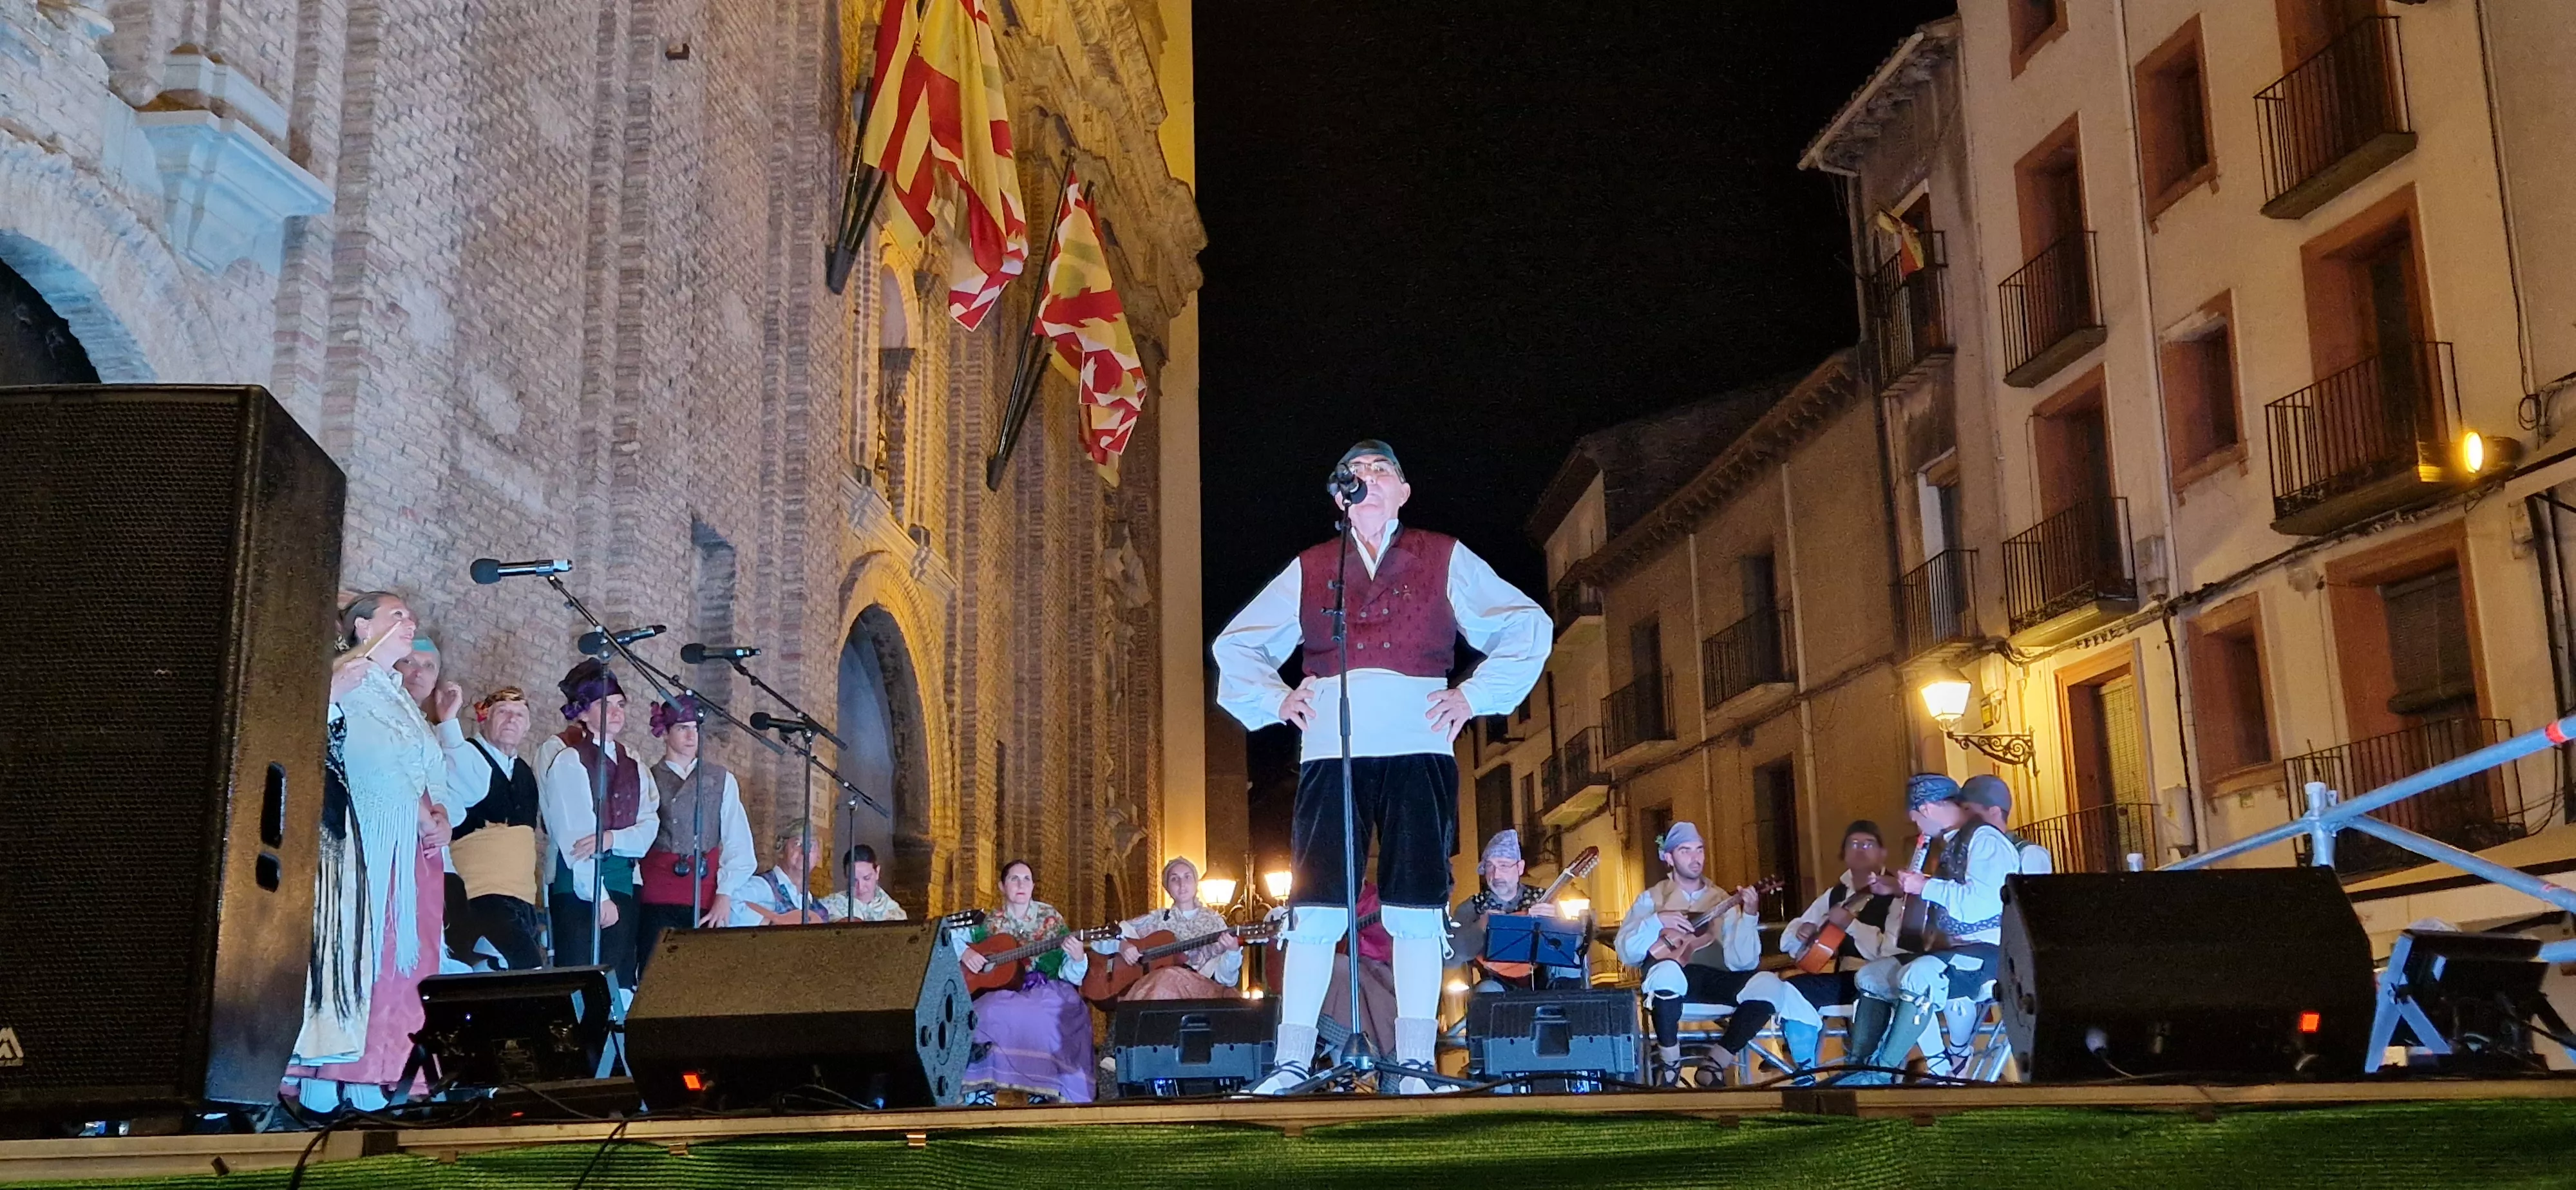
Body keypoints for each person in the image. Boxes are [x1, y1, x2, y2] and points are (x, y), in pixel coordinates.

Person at [1213, 439, 1550, 1094]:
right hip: (1330, 748)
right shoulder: (1312, 566)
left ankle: (1418, 1064)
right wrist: (1279, 697)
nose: (1367, 479)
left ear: (1402, 492)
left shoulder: (1442, 554)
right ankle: (1291, 1062)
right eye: (1355, 474)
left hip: (1418, 741)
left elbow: (1524, 624)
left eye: (1381, 470)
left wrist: (1473, 695)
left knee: (1416, 905)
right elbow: (1239, 644)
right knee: (1312, 907)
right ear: (1340, 500)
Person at [285, 591, 451, 1113]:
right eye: (396, 615)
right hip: (365, 841)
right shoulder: (344, 679)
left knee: (404, 962)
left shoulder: (398, 693)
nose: (410, 623)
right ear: (361, 628)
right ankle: (325, 1076)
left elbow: (427, 770)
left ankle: (375, 1074)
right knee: (359, 954)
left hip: (410, 848)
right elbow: (335, 749)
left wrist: (439, 812)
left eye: (411, 616)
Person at [1840, 773, 2014, 1085]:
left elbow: (1983, 904)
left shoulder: (1985, 841)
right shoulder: (1955, 842)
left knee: (1919, 975)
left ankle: (1883, 1071)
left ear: (1930, 809)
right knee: (1871, 977)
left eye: (1917, 819)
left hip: (1992, 954)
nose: (1919, 828)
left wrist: (1925, 885)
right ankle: (1857, 1069)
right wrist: (1904, 887)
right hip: (1955, 951)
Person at [1613, 822, 1806, 1087]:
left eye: (1699, 850)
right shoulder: (1652, 899)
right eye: (1685, 851)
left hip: (1716, 979)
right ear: (1669, 858)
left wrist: (1749, 915)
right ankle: (1670, 1063)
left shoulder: (1720, 899)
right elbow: (1627, 953)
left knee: (1770, 985)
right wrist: (1657, 921)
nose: (1695, 858)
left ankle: (1715, 1063)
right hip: (1671, 983)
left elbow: (1744, 963)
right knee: (1667, 971)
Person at [538, 659, 659, 990]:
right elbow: (575, 837)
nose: (617, 712)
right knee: (578, 982)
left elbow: (648, 831)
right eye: (605, 705)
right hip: (581, 890)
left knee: (617, 981)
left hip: (622, 883)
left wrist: (610, 839)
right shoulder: (569, 761)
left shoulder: (636, 765)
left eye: (620, 704)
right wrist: (599, 896)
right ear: (583, 713)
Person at [954, 860, 1094, 1103]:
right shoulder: (989, 921)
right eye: (1014, 879)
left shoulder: (1050, 919)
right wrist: (966, 953)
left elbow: (1071, 974)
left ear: (1033, 886)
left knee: (1041, 1017)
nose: (1021, 884)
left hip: (1045, 987)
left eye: (1027, 879)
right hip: (1002, 989)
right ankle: (980, 1090)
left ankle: (1042, 1089)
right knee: (986, 1012)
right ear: (1001, 886)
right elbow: (947, 933)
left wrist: (1078, 958)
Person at [633, 695, 756, 970]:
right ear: (665, 733)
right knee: (655, 974)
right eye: (682, 728)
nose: (692, 736)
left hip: (704, 895)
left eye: (695, 728)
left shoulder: (721, 779)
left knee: (699, 979)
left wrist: (724, 895)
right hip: (656, 896)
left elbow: (739, 843)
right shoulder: (647, 777)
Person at [1779, 820, 1904, 1073]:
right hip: (1846, 978)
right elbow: (1787, 940)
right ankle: (1805, 1072)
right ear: (1844, 854)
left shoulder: (1897, 894)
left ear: (1882, 853)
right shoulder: (1835, 894)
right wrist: (1802, 932)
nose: (1860, 850)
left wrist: (1850, 924)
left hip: (1885, 979)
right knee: (1792, 989)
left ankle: (1873, 1072)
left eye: (1868, 844)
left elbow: (1889, 950)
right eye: (1853, 844)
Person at [440, 687, 547, 970]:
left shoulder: (524, 771)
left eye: (520, 715)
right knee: (525, 969)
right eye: (503, 712)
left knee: (512, 973)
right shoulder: (465, 754)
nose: (512, 720)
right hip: (480, 893)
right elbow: (459, 769)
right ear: (483, 718)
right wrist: (448, 721)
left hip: (521, 896)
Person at [1099, 856, 1244, 1001]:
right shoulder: (1158, 919)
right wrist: (1121, 945)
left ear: (1195, 883)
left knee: (1166, 977)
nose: (1182, 884)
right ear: (1168, 888)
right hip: (1161, 996)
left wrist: (1233, 951)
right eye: (1175, 879)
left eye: (1187, 877)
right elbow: (1100, 938)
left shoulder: (1214, 922)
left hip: (1202, 997)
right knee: (1162, 979)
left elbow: (1227, 980)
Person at [1450, 829, 1578, 992]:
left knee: (1570, 970)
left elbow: (1573, 948)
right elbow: (1452, 957)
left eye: (1503, 865)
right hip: (1496, 982)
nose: (1496, 875)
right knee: (1486, 992)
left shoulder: (1544, 898)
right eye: (1490, 866)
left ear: (1520, 868)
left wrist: (1556, 924)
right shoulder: (1472, 907)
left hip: (1544, 980)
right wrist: (1480, 927)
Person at [735, 825, 830, 925]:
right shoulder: (763, 885)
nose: (805, 851)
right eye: (797, 844)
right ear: (781, 851)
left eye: (811, 845)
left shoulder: (819, 911)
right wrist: (772, 922)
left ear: (818, 856)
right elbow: (730, 905)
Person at [1960, 775, 2052, 874]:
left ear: (1994, 811)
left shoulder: (2030, 854)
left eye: (1967, 809)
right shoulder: (1971, 851)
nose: (1961, 816)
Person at [819, 844, 908, 921]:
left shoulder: (895, 914)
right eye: (854, 880)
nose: (860, 887)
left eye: (867, 878)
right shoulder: (827, 908)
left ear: (877, 872)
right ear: (846, 875)